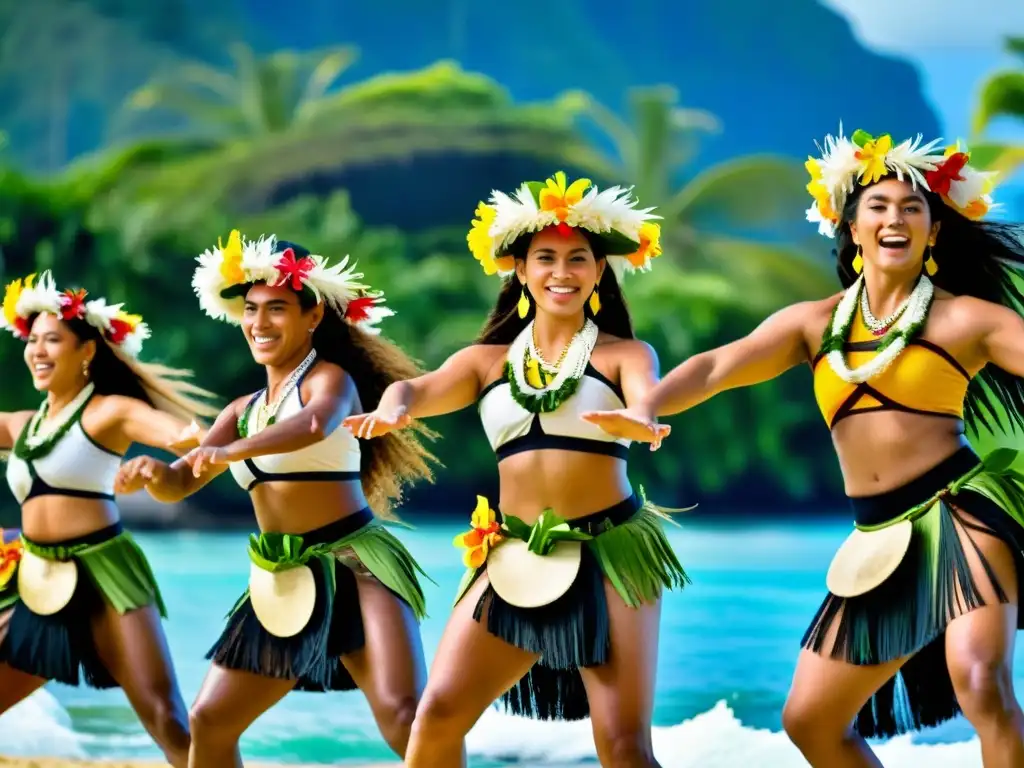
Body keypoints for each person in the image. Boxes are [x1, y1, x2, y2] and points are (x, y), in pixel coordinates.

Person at [582, 128, 1024, 766]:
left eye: (912, 208)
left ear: (933, 232)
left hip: (961, 512)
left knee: (981, 683)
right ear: (850, 227)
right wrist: (646, 406)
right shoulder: (812, 325)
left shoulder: (969, 320)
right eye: (878, 207)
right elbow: (714, 368)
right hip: (877, 536)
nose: (894, 219)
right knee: (811, 721)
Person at [344, 172, 689, 768]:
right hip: (509, 554)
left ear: (599, 271)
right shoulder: (485, 362)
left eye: (578, 258)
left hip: (611, 550)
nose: (562, 270)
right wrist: (392, 410)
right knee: (438, 716)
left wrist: (641, 420)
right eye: (546, 257)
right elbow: (415, 390)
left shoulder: (624, 354)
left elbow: (646, 396)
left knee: (623, 745)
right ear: (520, 270)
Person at [115, 231, 439, 767]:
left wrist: (231, 450)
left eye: (277, 309)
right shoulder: (241, 410)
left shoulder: (330, 381)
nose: (260, 323)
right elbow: (179, 483)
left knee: (404, 717)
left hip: (356, 564)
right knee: (209, 721)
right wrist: (153, 472)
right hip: (282, 576)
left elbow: (315, 424)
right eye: (251, 309)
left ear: (312, 317)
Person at [0, 270, 218, 767]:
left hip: (105, 578)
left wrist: (164, 471)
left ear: (87, 351)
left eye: (52, 339)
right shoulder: (21, 425)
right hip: (36, 578)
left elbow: (198, 440)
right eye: (32, 341)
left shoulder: (110, 413)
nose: (38, 350)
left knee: (166, 719)